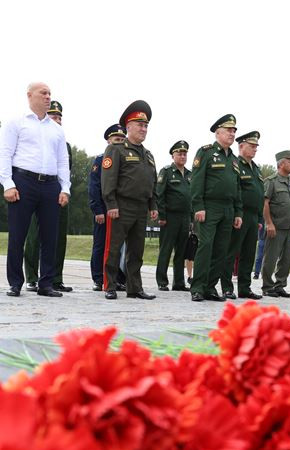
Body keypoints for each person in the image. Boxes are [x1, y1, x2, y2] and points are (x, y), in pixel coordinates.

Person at [0, 82, 70, 298]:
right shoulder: (15, 122)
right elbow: (4, 154)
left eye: (49, 94)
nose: (48, 97)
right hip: (23, 181)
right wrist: (7, 183)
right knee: (18, 235)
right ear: (30, 96)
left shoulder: (56, 129)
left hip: (50, 184)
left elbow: (63, 161)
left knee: (50, 236)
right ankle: (16, 282)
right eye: (43, 93)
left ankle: (46, 283)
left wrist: (65, 188)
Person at [100, 100, 158, 300]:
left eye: (146, 126)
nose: (143, 129)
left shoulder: (148, 155)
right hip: (121, 206)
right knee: (113, 248)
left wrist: (153, 205)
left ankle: (134, 287)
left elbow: (152, 183)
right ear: (129, 127)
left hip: (141, 207)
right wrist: (111, 204)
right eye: (140, 125)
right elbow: (108, 180)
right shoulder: (116, 150)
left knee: (136, 251)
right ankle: (109, 286)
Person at [190, 115, 243, 302]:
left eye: (234, 130)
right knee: (205, 246)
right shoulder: (206, 153)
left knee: (221, 249)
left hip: (228, 209)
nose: (232, 133)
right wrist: (198, 206)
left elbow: (237, 188)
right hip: (209, 207)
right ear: (217, 132)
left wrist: (238, 212)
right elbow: (196, 181)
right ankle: (197, 287)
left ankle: (210, 288)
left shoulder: (234, 160)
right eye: (229, 130)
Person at [24, 100, 73, 293]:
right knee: (35, 236)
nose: (57, 119)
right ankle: (32, 278)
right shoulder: (37, 139)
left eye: (59, 117)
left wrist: (65, 190)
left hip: (60, 193)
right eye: (53, 116)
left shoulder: (65, 145)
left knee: (59, 237)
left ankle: (55, 278)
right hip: (40, 192)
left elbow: (67, 171)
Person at [220, 131, 264, 300]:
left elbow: (260, 193)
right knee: (231, 252)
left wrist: (260, 218)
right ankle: (226, 287)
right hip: (240, 214)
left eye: (256, 147)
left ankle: (245, 287)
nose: (254, 150)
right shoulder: (235, 164)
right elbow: (233, 190)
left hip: (253, 216)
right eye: (251, 146)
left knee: (249, 253)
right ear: (241, 146)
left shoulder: (256, 169)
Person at [88, 123, 127, 291]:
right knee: (101, 244)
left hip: (120, 209)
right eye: (116, 139)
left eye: (122, 139)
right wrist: (97, 210)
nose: (119, 142)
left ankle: (116, 278)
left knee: (117, 246)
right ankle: (98, 278)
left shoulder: (126, 159)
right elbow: (94, 186)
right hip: (104, 209)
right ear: (108, 141)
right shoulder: (101, 159)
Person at [262, 150, 290, 298]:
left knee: (286, 259)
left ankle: (280, 285)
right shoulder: (271, 181)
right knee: (271, 258)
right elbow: (265, 203)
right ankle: (267, 286)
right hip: (276, 226)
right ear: (281, 163)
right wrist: (269, 223)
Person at [155, 140, 192, 292]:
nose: (182, 156)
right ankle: (162, 281)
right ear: (173, 155)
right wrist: (162, 216)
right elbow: (160, 194)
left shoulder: (190, 174)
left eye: (184, 154)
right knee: (166, 249)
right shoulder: (167, 172)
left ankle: (179, 282)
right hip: (170, 217)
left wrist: (190, 219)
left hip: (185, 218)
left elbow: (191, 197)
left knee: (181, 251)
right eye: (179, 153)